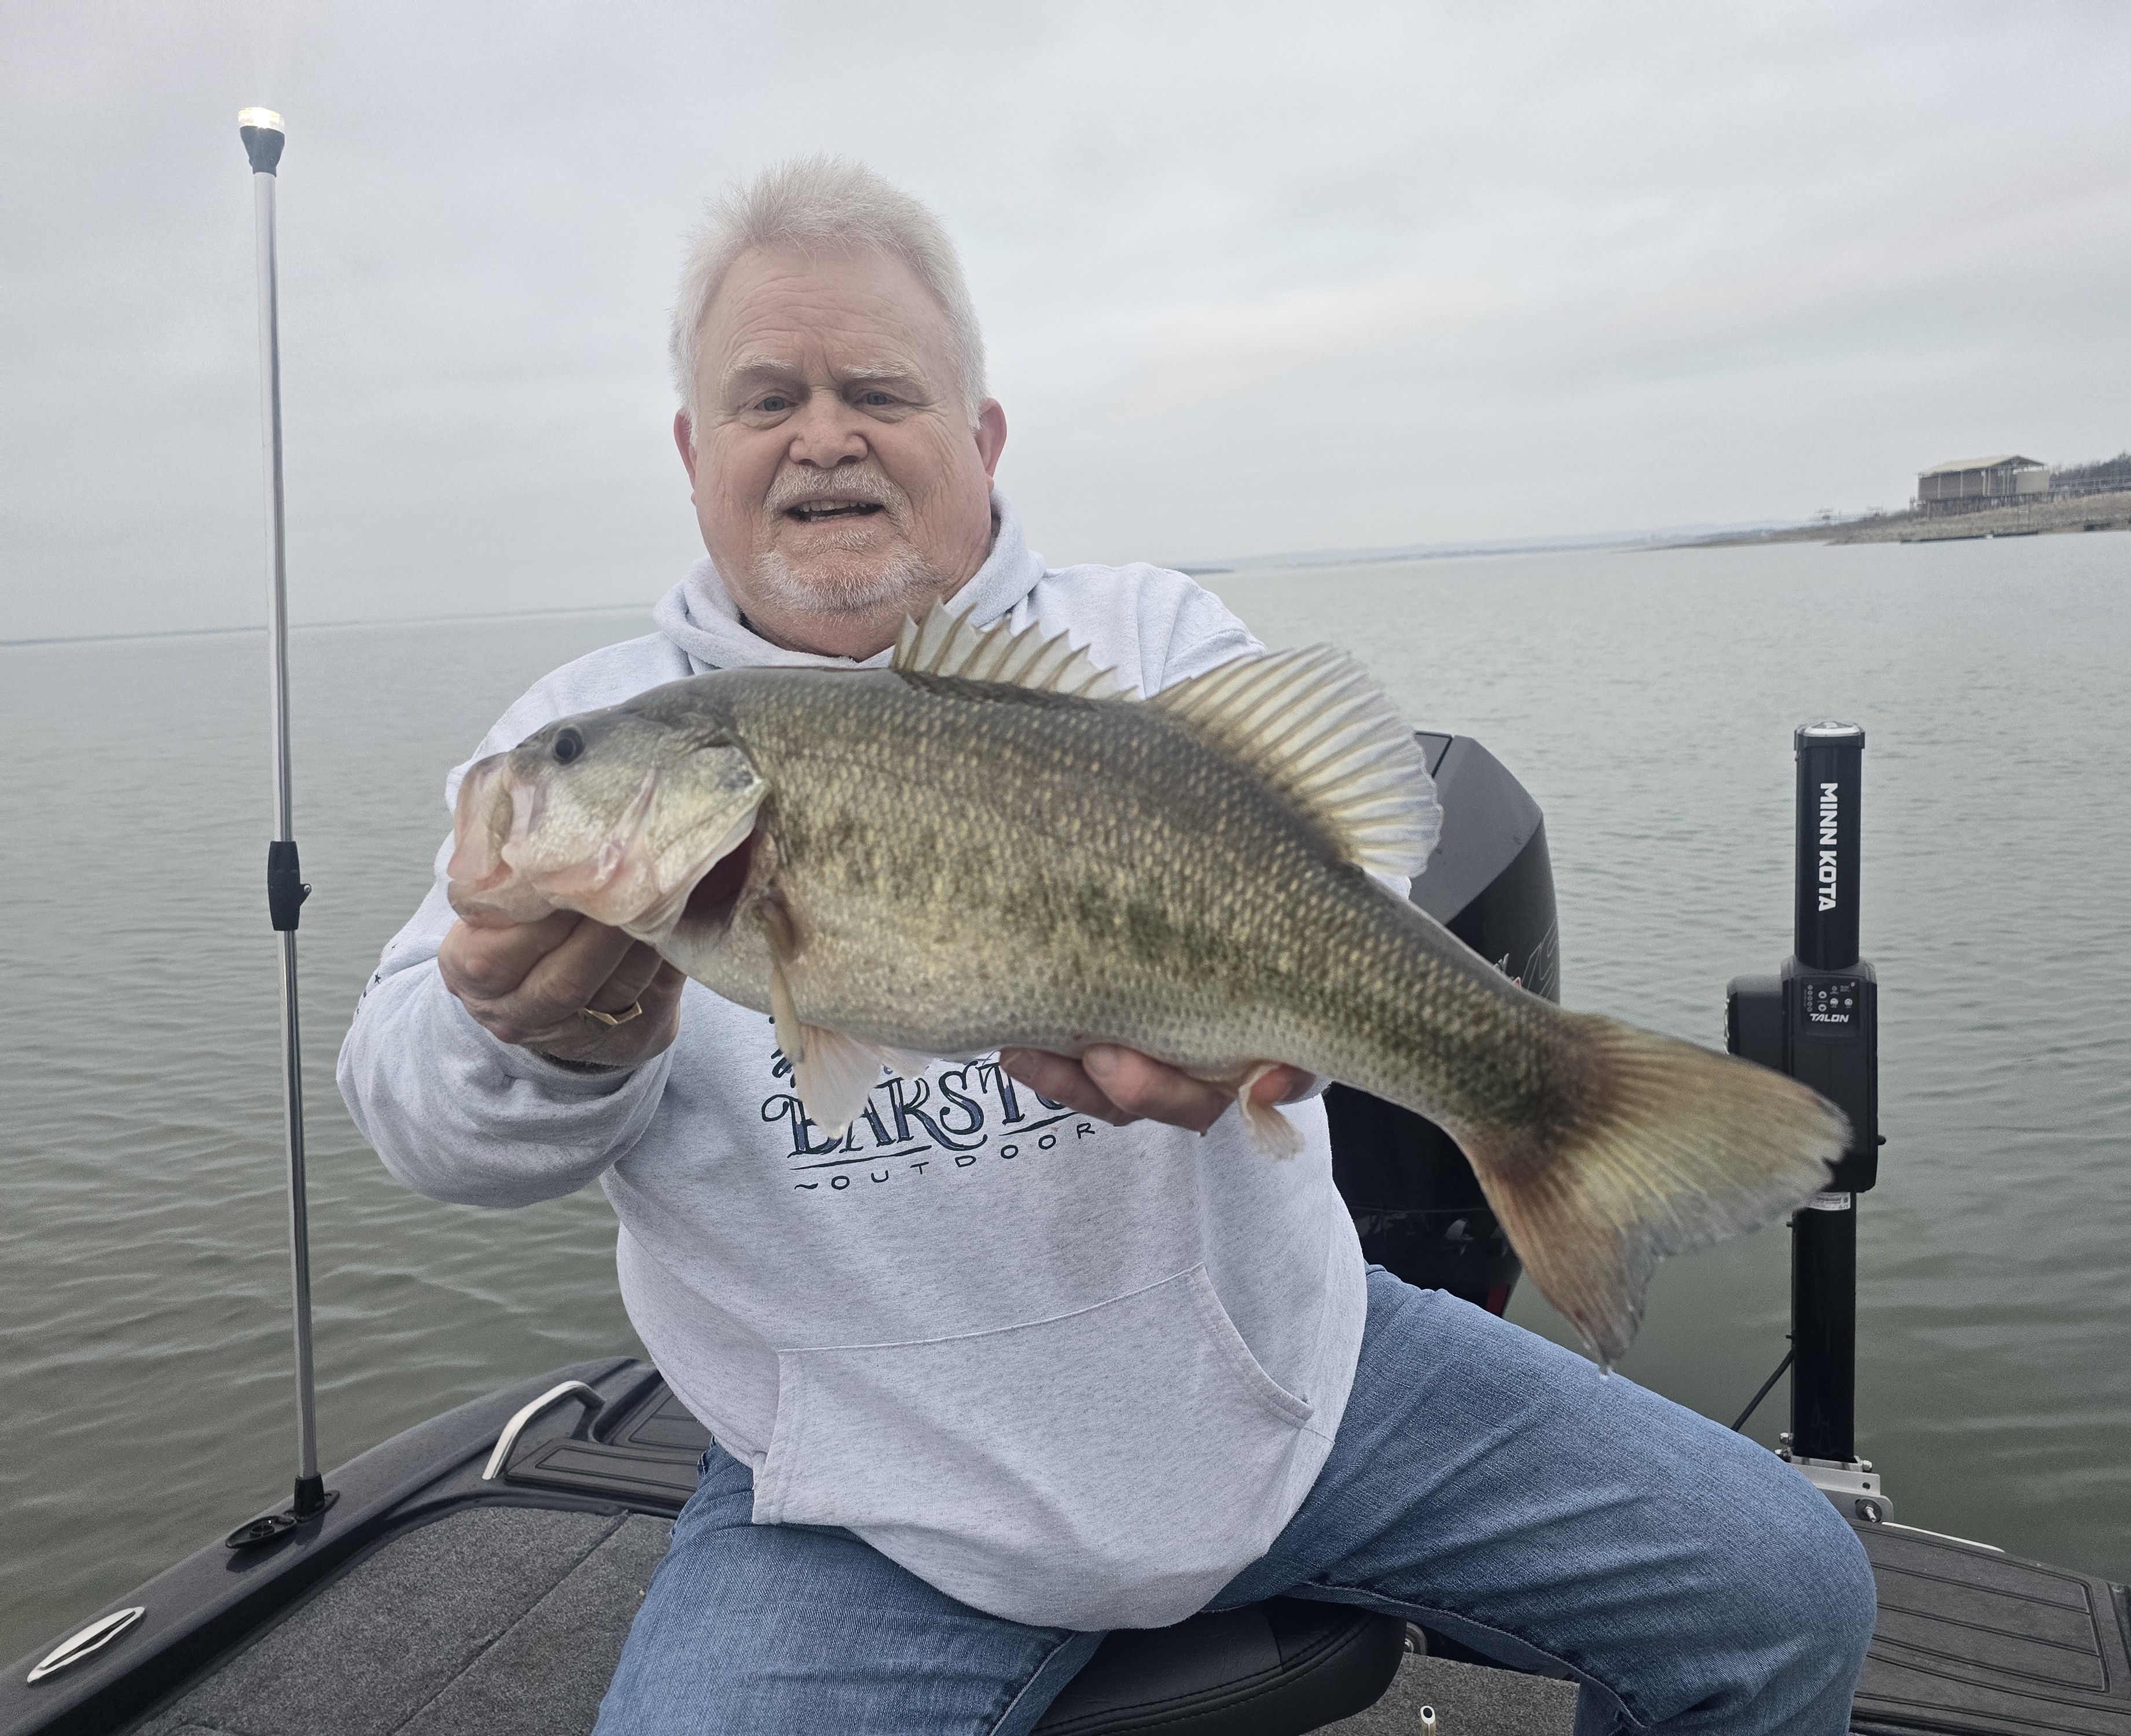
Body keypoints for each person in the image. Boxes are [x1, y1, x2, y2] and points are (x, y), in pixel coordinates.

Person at [339, 156, 1875, 1735]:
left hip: (1296, 1402)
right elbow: (415, 1111)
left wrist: (1315, 1051)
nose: (823, 434)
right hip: (870, 1504)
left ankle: (1543, 1108)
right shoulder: (576, 730)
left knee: (1784, 1599)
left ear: (981, 433)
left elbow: (1318, 900)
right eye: (764, 398)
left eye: (880, 387)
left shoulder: (1149, 645)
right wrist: (537, 1035)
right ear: (691, 450)